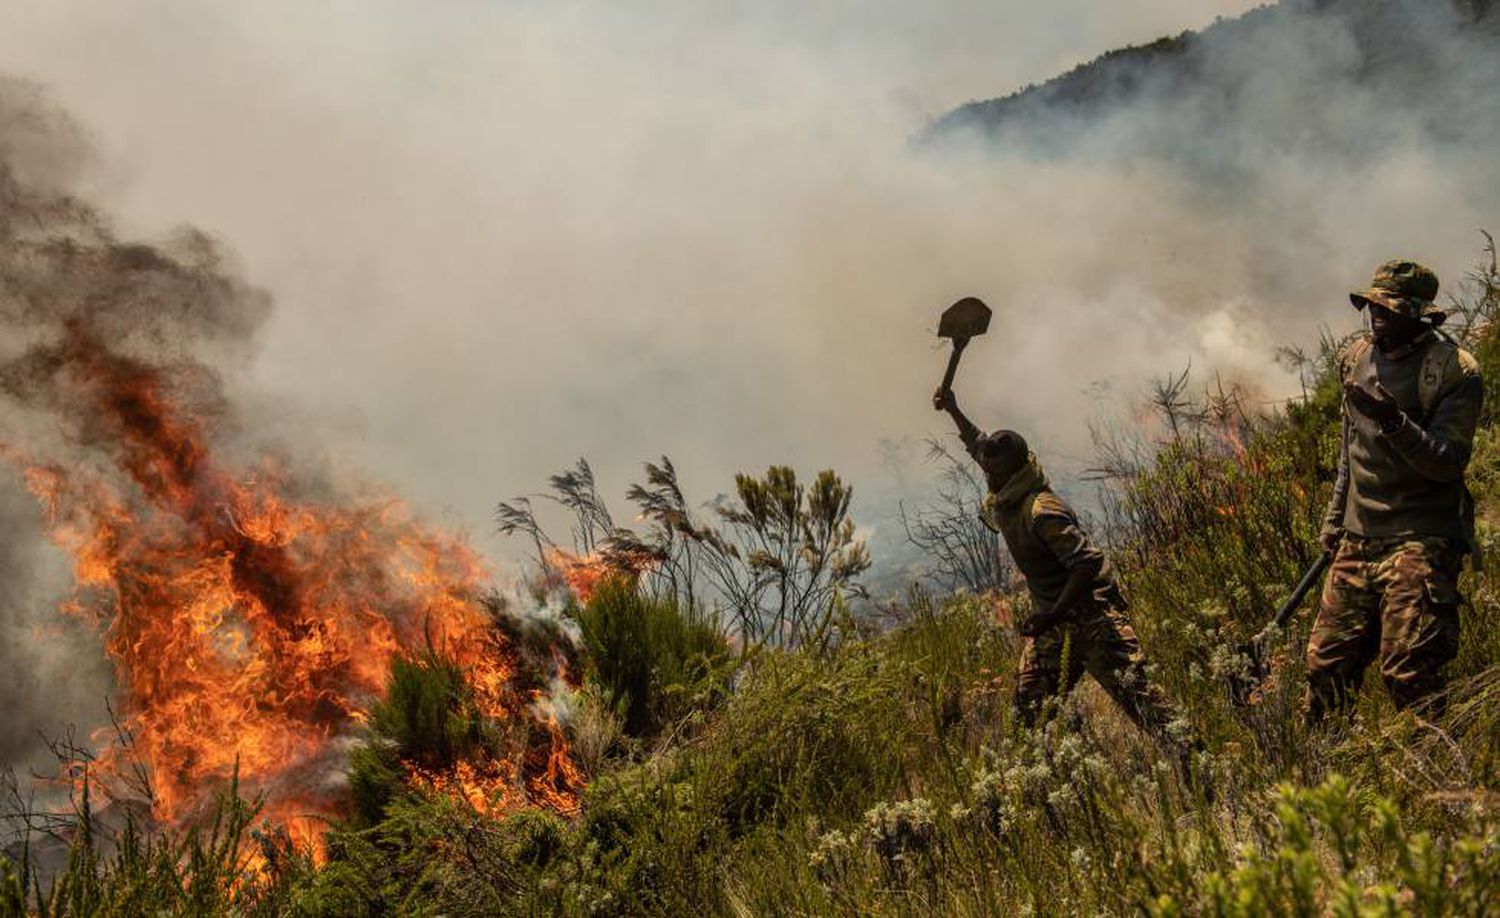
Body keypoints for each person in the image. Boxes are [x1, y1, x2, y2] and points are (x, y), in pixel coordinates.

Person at [933, 388, 1193, 750]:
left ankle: (1202, 772)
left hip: (1094, 623)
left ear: (1015, 468)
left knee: (1153, 714)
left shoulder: (1040, 510)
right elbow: (977, 444)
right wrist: (953, 409)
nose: (987, 474)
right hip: (1055, 629)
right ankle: (1032, 795)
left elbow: (1086, 564)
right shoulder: (1007, 480)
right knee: (1028, 721)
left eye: (994, 469)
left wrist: (1052, 614)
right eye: (986, 467)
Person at [1308, 260, 1483, 723]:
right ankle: (1326, 779)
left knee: (1409, 670)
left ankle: (1436, 770)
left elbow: (1446, 464)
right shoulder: (1356, 358)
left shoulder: (1452, 372)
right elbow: (1351, 448)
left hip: (1422, 535)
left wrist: (1394, 422)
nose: (1376, 315)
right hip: (1358, 536)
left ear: (1420, 314)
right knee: (1326, 668)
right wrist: (1335, 520)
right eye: (1371, 305)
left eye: (1389, 308)